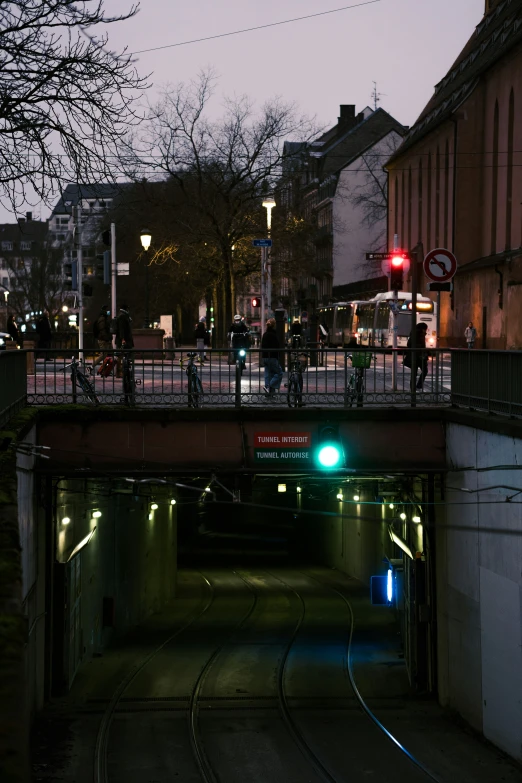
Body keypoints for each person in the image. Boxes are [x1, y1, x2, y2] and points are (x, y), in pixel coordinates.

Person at [404, 322, 429, 391]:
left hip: (416, 356)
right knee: (424, 371)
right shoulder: (418, 334)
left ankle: (413, 387)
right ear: (423, 329)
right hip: (419, 356)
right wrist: (421, 350)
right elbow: (411, 344)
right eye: (425, 329)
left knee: (414, 373)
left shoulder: (416, 333)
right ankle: (418, 386)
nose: (426, 331)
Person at [261, 317, 283, 397]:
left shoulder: (265, 334)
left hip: (265, 356)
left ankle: (269, 392)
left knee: (268, 374)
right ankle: (269, 387)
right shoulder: (273, 335)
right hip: (272, 357)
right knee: (279, 373)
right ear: (274, 325)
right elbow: (276, 346)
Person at [115, 304, 133, 378]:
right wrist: (123, 339)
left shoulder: (123, 315)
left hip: (124, 339)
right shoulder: (122, 316)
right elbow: (121, 329)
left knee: (123, 356)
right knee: (121, 357)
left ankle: (123, 372)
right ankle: (120, 372)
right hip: (123, 340)